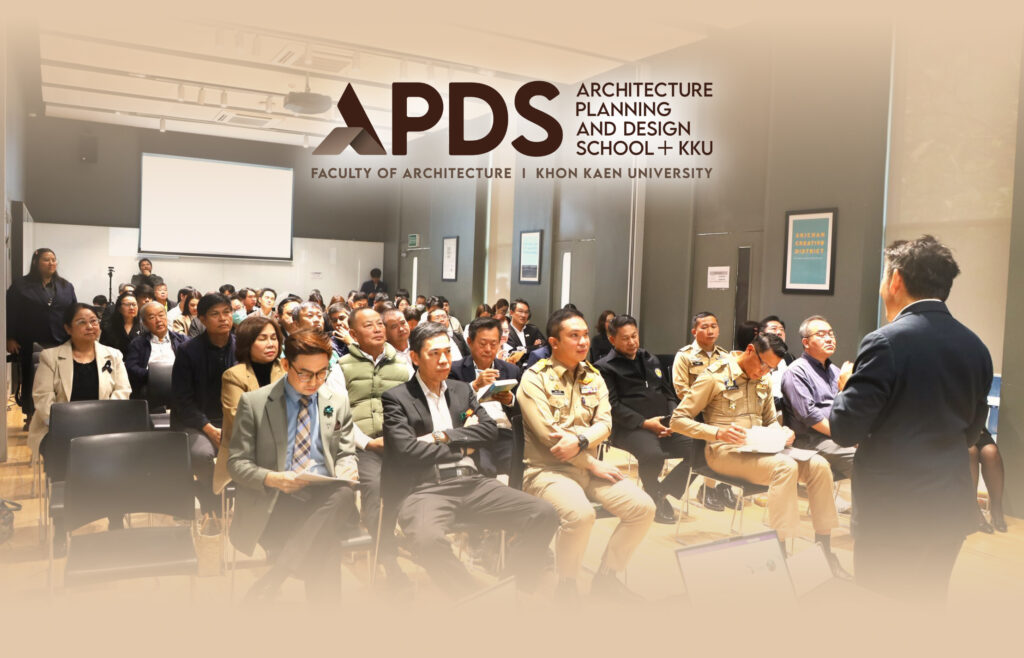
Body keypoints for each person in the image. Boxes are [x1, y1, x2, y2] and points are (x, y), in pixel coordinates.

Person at [830, 235, 993, 602]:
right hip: (949, 504)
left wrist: (845, 385)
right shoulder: (976, 346)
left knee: (881, 607)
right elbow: (971, 432)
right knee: (928, 606)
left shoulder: (885, 342)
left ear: (896, 280)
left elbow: (844, 428)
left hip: (892, 508)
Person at [382, 322, 558, 597]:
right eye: (434, 354)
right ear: (415, 357)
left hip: (473, 483)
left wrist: (441, 436)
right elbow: (407, 450)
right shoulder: (397, 398)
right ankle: (472, 598)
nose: (443, 360)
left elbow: (488, 431)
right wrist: (464, 447)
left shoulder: (461, 391)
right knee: (427, 541)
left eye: (446, 352)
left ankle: (514, 586)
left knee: (544, 514)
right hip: (425, 488)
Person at [671, 333, 845, 575]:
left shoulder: (763, 380)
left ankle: (824, 548)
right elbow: (677, 420)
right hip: (723, 452)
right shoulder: (714, 376)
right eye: (763, 365)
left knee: (818, 464)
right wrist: (717, 432)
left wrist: (782, 432)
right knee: (785, 468)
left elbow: (770, 420)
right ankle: (780, 554)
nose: (764, 372)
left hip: (761, 448)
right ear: (750, 350)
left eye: (771, 369)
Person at [518, 308, 655, 599]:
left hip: (590, 469)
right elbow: (549, 437)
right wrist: (591, 460)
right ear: (554, 343)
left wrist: (582, 442)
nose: (583, 342)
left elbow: (606, 423)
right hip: (546, 472)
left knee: (643, 507)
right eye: (574, 336)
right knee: (580, 516)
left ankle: (607, 576)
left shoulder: (594, 376)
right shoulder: (534, 378)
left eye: (584, 335)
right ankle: (567, 585)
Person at [227, 329, 361, 601]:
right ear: (286, 364)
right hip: (277, 500)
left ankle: (278, 574)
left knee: (342, 493)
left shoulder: (336, 401)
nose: (315, 382)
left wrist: (347, 466)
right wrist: (272, 478)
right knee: (325, 543)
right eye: (305, 374)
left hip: (325, 495)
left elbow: (346, 452)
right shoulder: (256, 403)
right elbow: (236, 463)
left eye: (322, 373)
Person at [30, 303, 132, 554]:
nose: (90, 326)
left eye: (94, 321)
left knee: (117, 456)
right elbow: (43, 399)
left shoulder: (113, 355)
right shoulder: (51, 357)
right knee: (60, 455)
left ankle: (115, 518)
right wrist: (66, 426)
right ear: (68, 328)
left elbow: (123, 391)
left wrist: (102, 423)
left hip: (104, 429)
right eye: (82, 322)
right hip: (60, 431)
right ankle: (61, 524)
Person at [335, 307, 411, 583]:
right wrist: (367, 443)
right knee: (377, 487)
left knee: (422, 482)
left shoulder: (403, 366)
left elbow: (415, 407)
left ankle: (422, 542)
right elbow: (339, 415)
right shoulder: (341, 367)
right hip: (361, 446)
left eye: (380, 324)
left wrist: (401, 438)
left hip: (400, 444)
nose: (378, 329)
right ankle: (387, 558)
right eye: (369, 325)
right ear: (353, 334)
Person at [596, 315, 691, 524]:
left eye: (634, 336)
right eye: (625, 338)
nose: (632, 342)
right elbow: (612, 406)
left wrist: (673, 420)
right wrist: (646, 423)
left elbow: (668, 394)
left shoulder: (651, 359)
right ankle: (653, 492)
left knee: (701, 449)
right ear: (612, 340)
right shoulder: (604, 367)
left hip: (664, 424)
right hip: (629, 428)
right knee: (653, 454)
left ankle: (661, 491)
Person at [779, 315, 856, 511]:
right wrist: (846, 436)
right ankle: (874, 519)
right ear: (806, 342)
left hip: (835, 436)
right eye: (821, 335)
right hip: (809, 440)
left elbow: (848, 408)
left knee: (880, 451)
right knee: (862, 460)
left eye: (831, 334)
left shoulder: (835, 371)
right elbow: (810, 417)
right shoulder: (796, 372)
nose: (829, 338)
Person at [171, 293, 237, 517]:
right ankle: (213, 505)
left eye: (227, 312)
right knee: (202, 454)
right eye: (215, 314)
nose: (223, 318)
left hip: (232, 419)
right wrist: (209, 428)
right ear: (202, 319)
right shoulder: (188, 351)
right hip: (195, 421)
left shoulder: (242, 347)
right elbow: (182, 400)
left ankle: (234, 504)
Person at [213, 315, 286, 495]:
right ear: (247, 343)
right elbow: (238, 418)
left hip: (286, 447)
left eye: (274, 338)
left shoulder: (288, 369)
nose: (271, 344)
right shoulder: (234, 375)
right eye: (262, 339)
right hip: (247, 452)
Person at [6, 247, 78, 429]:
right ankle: (31, 415)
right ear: (36, 262)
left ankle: (60, 416)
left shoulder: (66, 286)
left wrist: (76, 336)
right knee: (32, 379)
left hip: (60, 340)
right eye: (46, 259)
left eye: (53, 259)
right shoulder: (20, 286)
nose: (51, 263)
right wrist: (10, 337)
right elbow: (10, 313)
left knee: (60, 379)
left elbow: (73, 312)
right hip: (30, 340)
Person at [671, 311, 732, 511]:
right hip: (695, 413)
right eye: (704, 327)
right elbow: (681, 389)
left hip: (721, 411)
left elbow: (731, 385)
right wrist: (705, 406)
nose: (710, 331)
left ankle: (725, 485)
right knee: (714, 440)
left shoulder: (725, 356)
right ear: (694, 331)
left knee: (740, 432)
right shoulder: (685, 355)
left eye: (713, 326)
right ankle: (708, 488)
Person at [449, 316, 521, 478]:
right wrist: (474, 386)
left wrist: (510, 400)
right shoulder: (455, 370)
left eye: (493, 344)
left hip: (504, 432)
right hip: (475, 431)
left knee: (515, 467)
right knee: (485, 470)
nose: (488, 349)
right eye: (482, 344)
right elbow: (452, 407)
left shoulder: (511, 370)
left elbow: (522, 410)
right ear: (469, 341)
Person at [124, 301, 187, 398]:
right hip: (148, 388)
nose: (158, 320)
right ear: (144, 323)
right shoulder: (138, 343)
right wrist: (153, 376)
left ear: (166, 317)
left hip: (179, 386)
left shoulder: (183, 340)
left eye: (161, 315)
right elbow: (131, 367)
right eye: (152, 317)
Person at [970, 429, 1007, 533]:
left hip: (975, 429)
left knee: (991, 452)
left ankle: (996, 507)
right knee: (971, 451)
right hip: (954, 431)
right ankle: (973, 509)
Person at [100, 291, 142, 355]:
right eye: (127, 304)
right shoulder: (109, 327)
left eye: (134, 304)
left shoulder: (144, 326)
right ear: (119, 308)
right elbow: (103, 349)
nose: (131, 308)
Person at [382, 306, 414, 376]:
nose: (401, 329)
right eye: (394, 326)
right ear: (385, 332)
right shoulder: (383, 357)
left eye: (403, 323)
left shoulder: (419, 346)